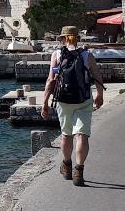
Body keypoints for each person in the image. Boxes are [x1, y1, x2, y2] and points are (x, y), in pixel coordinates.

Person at [40, 25, 106, 187]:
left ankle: (67, 165)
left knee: (66, 135)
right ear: (77, 38)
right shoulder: (87, 55)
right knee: (82, 135)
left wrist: (45, 103)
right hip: (83, 99)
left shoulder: (56, 55)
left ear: (62, 38)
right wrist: (100, 95)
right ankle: (79, 170)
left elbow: (51, 81)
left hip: (63, 101)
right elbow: (97, 76)